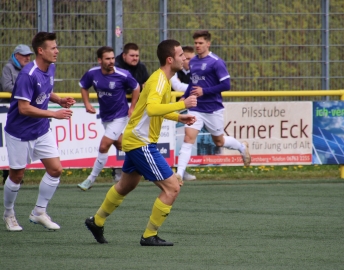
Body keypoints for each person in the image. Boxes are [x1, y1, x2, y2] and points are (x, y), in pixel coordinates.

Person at [84, 39, 197, 246]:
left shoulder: (161, 78)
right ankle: (149, 236)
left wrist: (178, 116)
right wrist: (182, 104)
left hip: (136, 139)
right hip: (140, 142)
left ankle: (96, 221)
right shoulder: (160, 81)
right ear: (170, 59)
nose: (184, 58)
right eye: (181, 55)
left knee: (126, 185)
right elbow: (153, 110)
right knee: (172, 188)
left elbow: (151, 109)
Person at [3, 32, 75, 232]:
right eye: (53, 48)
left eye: (56, 46)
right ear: (41, 51)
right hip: (19, 132)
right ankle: (8, 214)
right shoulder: (28, 74)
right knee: (16, 176)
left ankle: (38, 212)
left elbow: (45, 90)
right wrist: (54, 113)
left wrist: (59, 100)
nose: (57, 51)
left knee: (56, 170)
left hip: (41, 130)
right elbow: (24, 108)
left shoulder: (50, 67)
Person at [176, 30, 251, 182]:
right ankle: (179, 174)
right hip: (196, 107)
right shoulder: (193, 62)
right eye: (195, 43)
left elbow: (226, 85)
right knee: (188, 138)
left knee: (219, 141)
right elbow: (193, 82)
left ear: (208, 43)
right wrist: (185, 96)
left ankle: (242, 147)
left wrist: (205, 91)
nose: (197, 45)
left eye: (200, 43)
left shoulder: (216, 62)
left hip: (213, 109)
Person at [77, 46, 140, 191]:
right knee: (122, 145)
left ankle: (90, 179)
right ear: (100, 60)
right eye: (107, 59)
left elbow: (136, 87)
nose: (111, 61)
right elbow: (83, 86)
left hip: (120, 116)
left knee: (104, 145)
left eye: (113, 58)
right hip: (106, 116)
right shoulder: (93, 73)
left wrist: (132, 107)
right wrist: (87, 104)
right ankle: (145, 163)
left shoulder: (123, 74)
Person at [113, 42, 149, 181]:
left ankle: (136, 168)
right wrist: (138, 87)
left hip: (137, 108)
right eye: (132, 55)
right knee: (117, 139)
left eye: (137, 56)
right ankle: (117, 169)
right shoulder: (116, 67)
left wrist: (139, 88)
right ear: (124, 55)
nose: (135, 58)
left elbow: (147, 85)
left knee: (136, 139)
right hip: (118, 108)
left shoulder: (141, 67)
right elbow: (121, 88)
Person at [1, 44, 34, 185]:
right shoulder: (8, 68)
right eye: (25, 55)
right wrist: (26, 90)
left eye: (29, 55)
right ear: (16, 55)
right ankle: (7, 176)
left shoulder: (30, 68)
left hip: (23, 110)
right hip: (8, 109)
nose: (28, 57)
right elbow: (6, 86)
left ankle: (16, 175)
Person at [170, 46, 197, 181]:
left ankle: (181, 170)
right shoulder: (175, 70)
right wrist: (196, 88)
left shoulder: (196, 71)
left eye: (192, 58)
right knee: (169, 142)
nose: (190, 61)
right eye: (187, 58)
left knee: (182, 141)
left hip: (187, 109)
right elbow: (177, 86)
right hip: (171, 109)